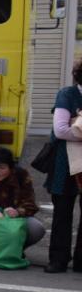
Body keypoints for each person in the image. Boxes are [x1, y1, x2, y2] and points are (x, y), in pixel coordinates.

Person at [43, 58, 82, 273]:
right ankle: (58, 258)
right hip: (64, 160)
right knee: (62, 210)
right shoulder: (67, 94)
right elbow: (60, 130)